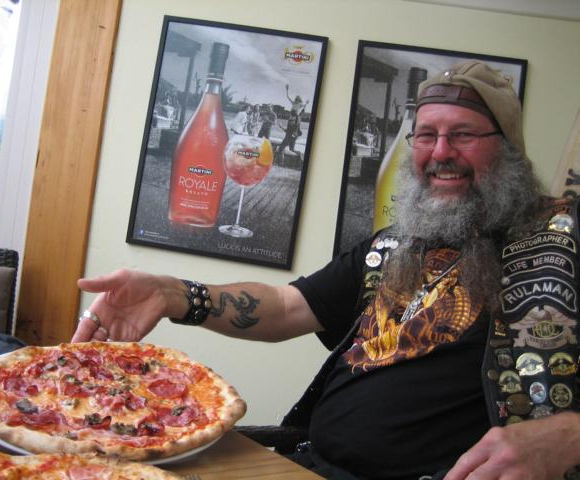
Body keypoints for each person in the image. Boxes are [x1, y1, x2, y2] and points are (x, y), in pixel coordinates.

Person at [72, 60, 580, 480]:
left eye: (463, 134)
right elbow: (287, 307)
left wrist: (570, 435)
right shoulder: (394, 247)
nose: (441, 152)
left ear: (507, 147)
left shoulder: (565, 240)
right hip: (305, 462)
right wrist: (173, 293)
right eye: (426, 135)